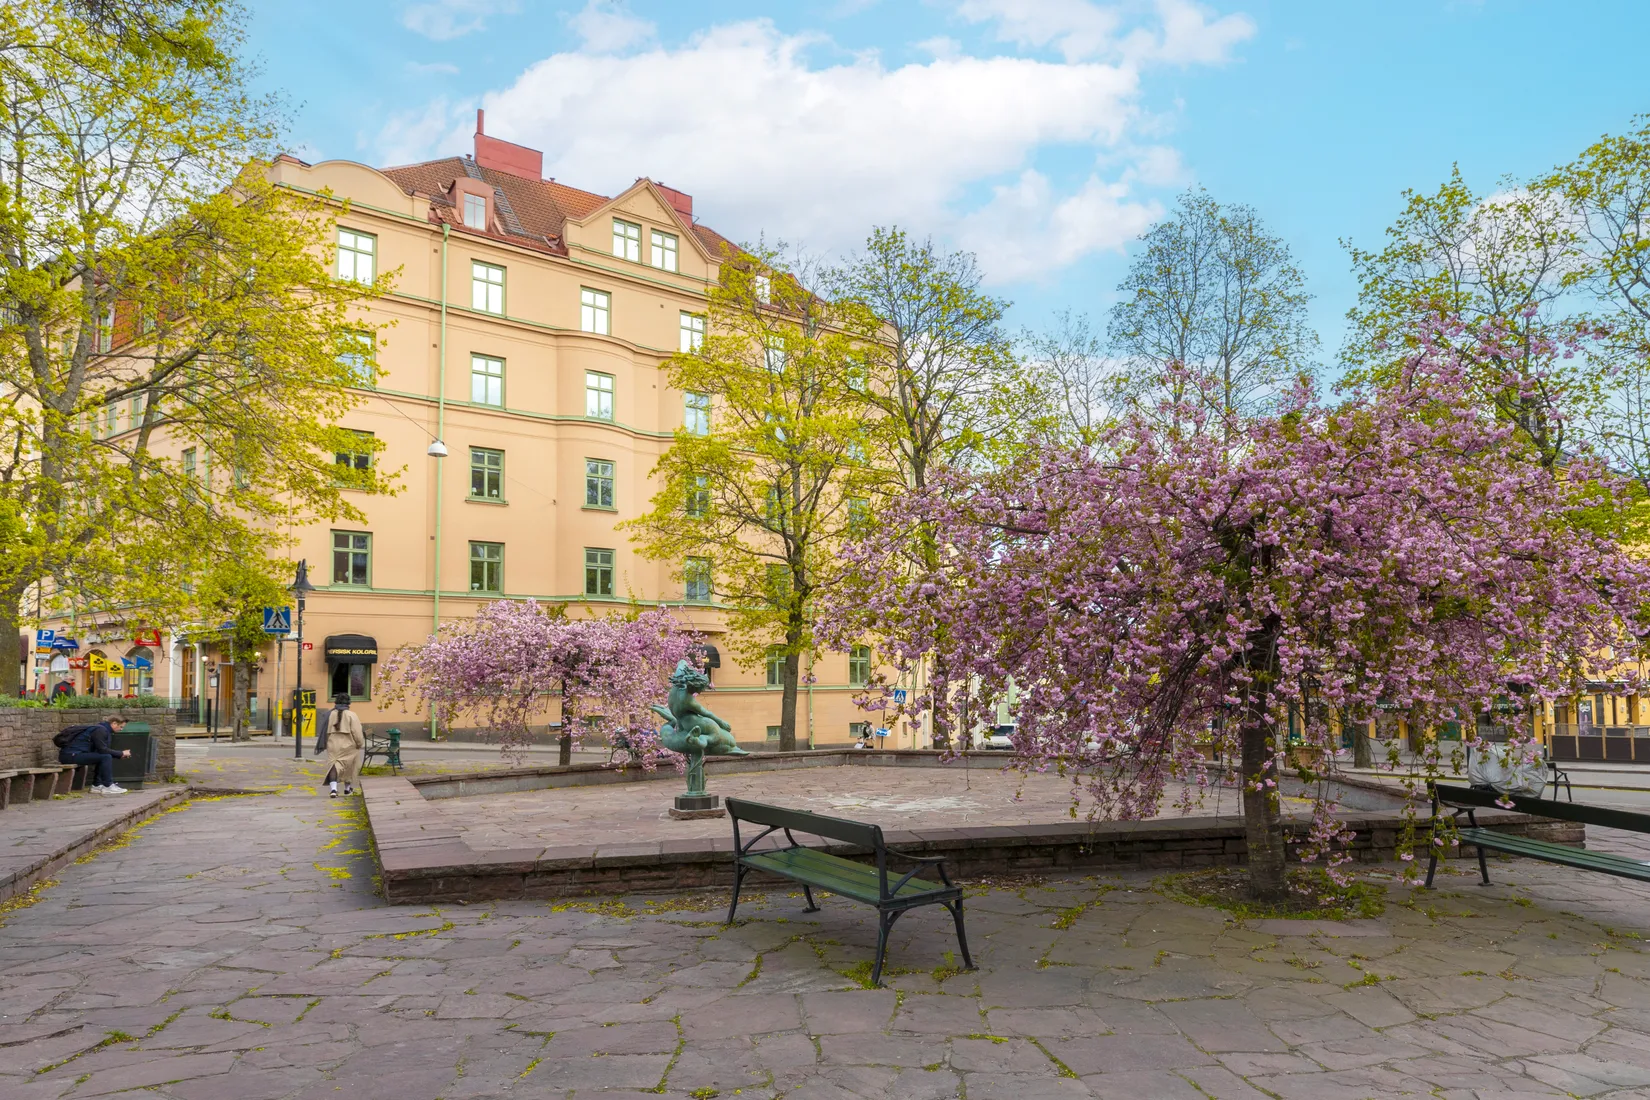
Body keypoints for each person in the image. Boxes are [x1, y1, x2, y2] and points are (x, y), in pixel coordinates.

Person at [58, 716, 132, 795]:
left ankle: (96, 785)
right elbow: (102, 750)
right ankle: (108, 786)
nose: (121, 729)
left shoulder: (104, 730)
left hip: (75, 754)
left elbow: (101, 751)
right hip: (70, 755)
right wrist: (121, 753)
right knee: (106, 757)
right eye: (121, 727)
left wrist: (119, 755)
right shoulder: (101, 730)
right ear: (114, 723)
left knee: (104, 757)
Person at [323, 692, 365, 798]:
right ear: (348, 703)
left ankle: (333, 789)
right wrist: (359, 743)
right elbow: (357, 732)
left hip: (333, 743)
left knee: (334, 765)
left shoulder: (331, 714)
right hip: (349, 744)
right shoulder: (352, 715)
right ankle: (347, 789)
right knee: (350, 765)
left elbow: (326, 731)